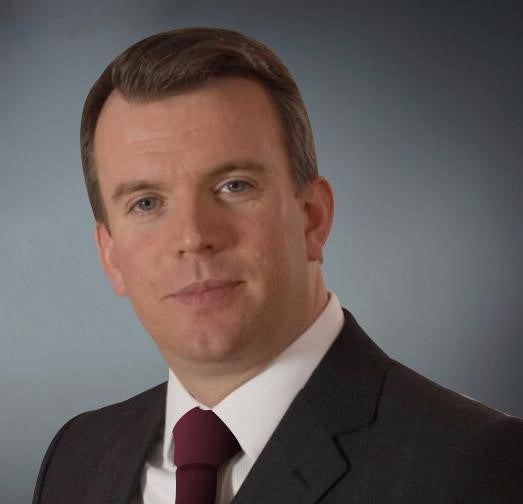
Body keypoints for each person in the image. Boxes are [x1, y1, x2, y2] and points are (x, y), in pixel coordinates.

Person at [32, 27, 523, 504]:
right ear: (110, 255)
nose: (193, 238)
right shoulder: (77, 459)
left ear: (312, 218)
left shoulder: (477, 465)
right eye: (145, 203)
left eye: (234, 186)